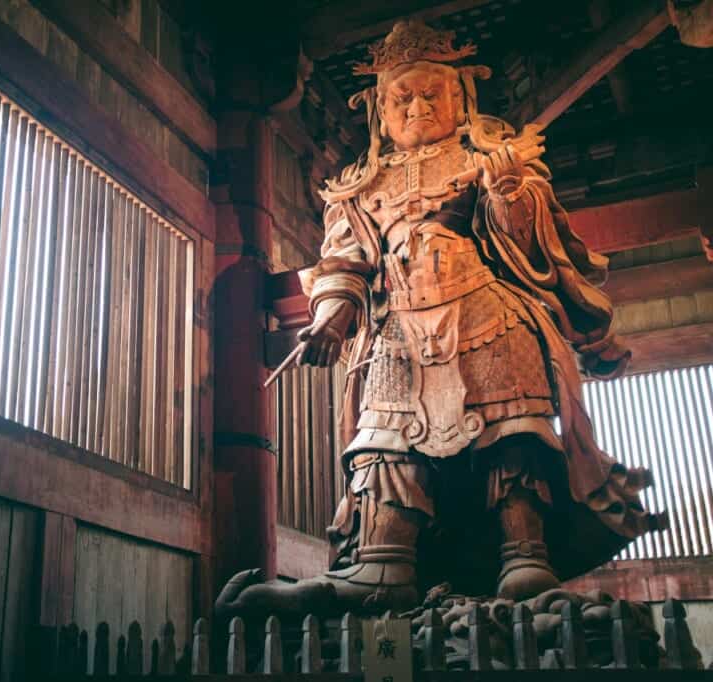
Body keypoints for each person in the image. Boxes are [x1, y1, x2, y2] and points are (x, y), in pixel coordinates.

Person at [217, 20, 665, 616]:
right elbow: (342, 261)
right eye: (402, 97)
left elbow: (529, 249)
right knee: (385, 438)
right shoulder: (360, 187)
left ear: (461, 98)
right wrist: (330, 316)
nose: (418, 106)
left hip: (489, 316)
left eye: (433, 93)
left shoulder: (490, 158)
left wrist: (508, 191)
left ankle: (525, 553)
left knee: (512, 429)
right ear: (380, 111)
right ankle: (382, 560)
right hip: (398, 331)